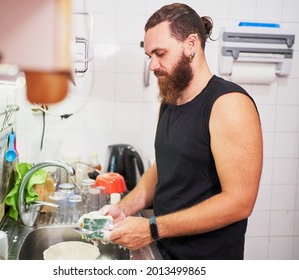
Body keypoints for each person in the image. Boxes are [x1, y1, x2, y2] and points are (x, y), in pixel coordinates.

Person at [101, 3, 263, 260]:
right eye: (149, 56)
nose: (152, 65)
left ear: (191, 44)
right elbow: (163, 167)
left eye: (160, 53)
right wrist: (124, 207)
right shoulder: (169, 101)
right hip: (164, 251)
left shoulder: (229, 104)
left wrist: (152, 228)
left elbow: (240, 203)